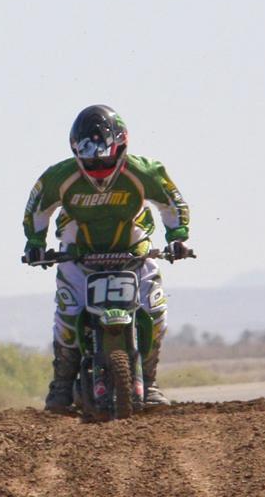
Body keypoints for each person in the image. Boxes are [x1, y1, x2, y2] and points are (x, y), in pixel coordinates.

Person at [22, 105, 191, 412]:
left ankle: (150, 382)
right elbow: (37, 209)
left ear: (122, 147)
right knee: (67, 314)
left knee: (156, 312)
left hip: (135, 253)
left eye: (105, 158)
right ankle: (61, 385)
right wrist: (35, 243)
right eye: (90, 160)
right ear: (76, 152)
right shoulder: (59, 176)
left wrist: (177, 237)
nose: (99, 166)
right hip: (78, 255)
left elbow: (172, 203)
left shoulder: (145, 171)